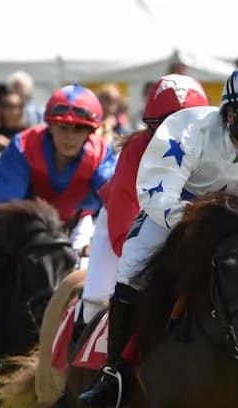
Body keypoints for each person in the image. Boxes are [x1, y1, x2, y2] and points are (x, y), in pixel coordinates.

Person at [77, 50, 238, 408]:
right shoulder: (186, 131)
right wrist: (206, 230)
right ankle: (113, 373)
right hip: (170, 217)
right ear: (231, 114)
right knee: (131, 266)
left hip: (229, 228)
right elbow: (156, 195)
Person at [76, 74, 210, 330]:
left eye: (188, 124)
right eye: (167, 125)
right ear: (151, 125)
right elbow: (124, 229)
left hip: (187, 242)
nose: (178, 135)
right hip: (131, 234)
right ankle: (95, 365)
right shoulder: (136, 151)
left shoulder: (217, 150)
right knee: (98, 296)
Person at [0, 84, 116, 255]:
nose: (70, 137)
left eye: (79, 129)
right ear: (50, 126)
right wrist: (46, 215)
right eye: (63, 127)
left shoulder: (101, 154)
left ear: (91, 131)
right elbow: (7, 205)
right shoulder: (22, 146)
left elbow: (116, 205)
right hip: (25, 228)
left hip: (80, 227)